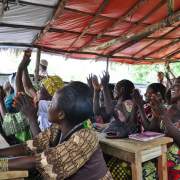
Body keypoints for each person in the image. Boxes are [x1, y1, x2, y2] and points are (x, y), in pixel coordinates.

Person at [0, 81, 112, 179]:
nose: (48, 106)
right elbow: (33, 145)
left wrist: (2, 164)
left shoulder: (86, 137)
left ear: (61, 114)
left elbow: (42, 161)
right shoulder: (58, 128)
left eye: (52, 103)